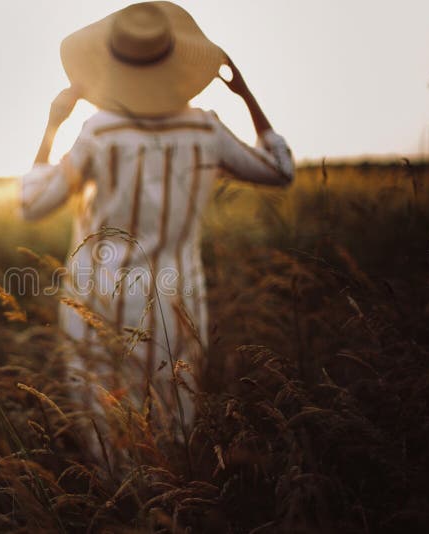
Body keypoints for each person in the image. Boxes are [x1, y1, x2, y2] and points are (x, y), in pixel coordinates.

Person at [20, 2, 294, 435]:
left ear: (113, 62)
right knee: (173, 419)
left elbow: (33, 203)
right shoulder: (205, 129)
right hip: (176, 300)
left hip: (97, 297)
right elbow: (280, 169)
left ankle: (117, 500)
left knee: (104, 421)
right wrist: (245, 94)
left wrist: (53, 124)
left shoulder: (100, 131)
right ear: (172, 62)